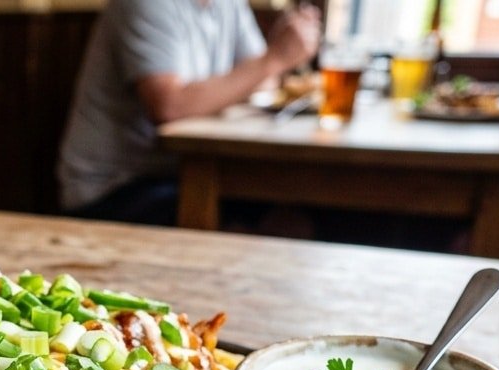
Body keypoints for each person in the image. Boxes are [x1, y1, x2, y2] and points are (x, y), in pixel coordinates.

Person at [58, 0, 321, 226]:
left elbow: (264, 79)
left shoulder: (226, 4)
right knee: (276, 223)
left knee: (295, 214)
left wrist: (273, 61)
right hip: (116, 188)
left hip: (185, 173)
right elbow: (169, 106)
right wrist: (274, 59)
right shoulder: (146, 4)